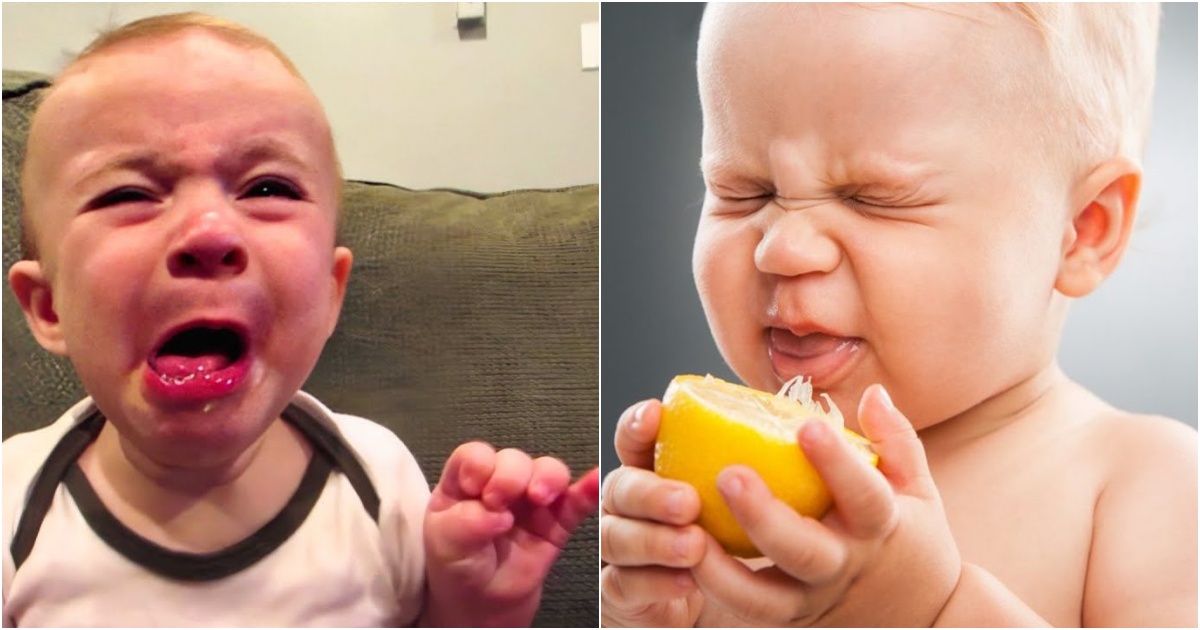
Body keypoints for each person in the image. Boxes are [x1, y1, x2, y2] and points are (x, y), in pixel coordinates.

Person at [600, 3, 1196, 627]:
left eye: (874, 198)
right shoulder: (723, 494)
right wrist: (647, 613)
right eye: (742, 190)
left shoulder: (1147, 487)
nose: (782, 247)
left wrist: (932, 609)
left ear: (1080, 230)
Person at [2, 12, 599, 627]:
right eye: (129, 194)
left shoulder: (376, 480)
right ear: (49, 308)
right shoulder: (13, 507)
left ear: (331, 293)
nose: (209, 231)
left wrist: (479, 605)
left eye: (266, 189)